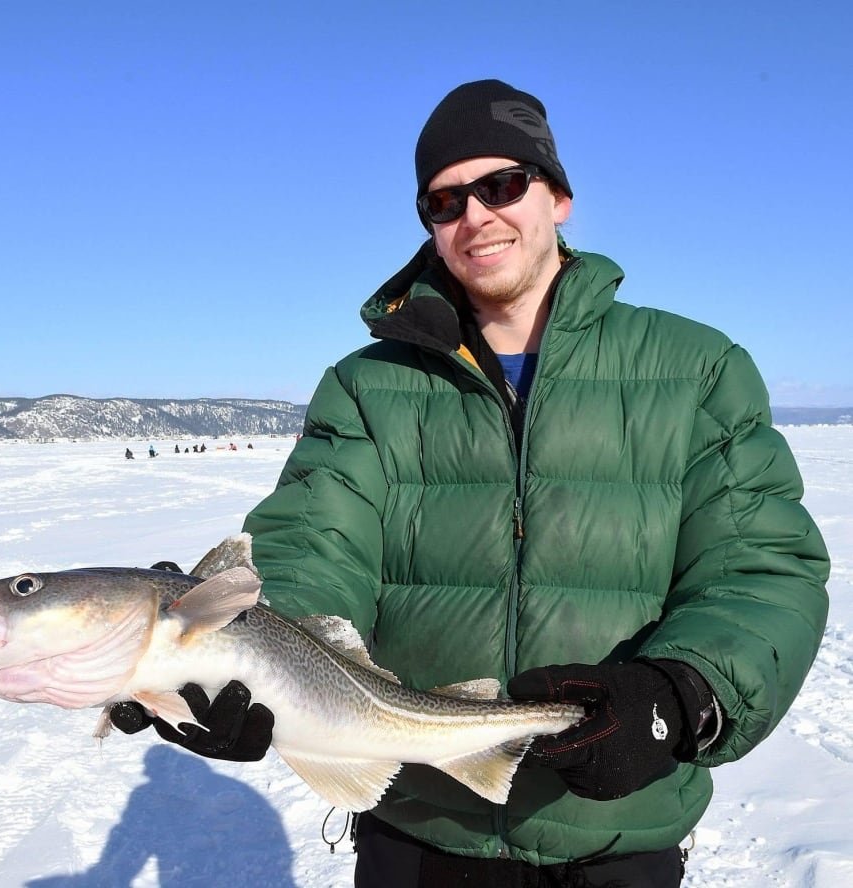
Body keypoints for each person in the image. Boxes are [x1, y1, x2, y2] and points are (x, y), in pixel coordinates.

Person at [112, 80, 830, 886]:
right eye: (444, 201)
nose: (475, 217)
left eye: (501, 186)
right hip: (422, 834)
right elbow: (313, 544)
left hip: (613, 835)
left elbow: (760, 568)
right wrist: (233, 643)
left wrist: (679, 691)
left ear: (557, 197)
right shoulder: (367, 385)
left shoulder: (696, 368)